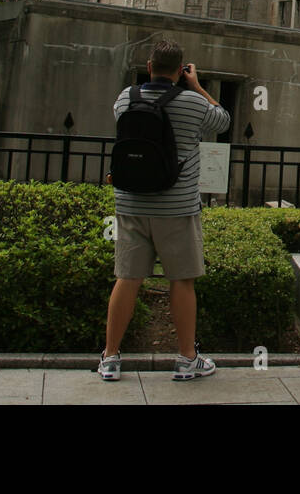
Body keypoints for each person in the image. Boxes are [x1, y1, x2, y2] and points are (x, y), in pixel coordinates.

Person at [99, 40, 229, 382]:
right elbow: (223, 121)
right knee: (182, 280)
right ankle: (187, 359)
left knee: (127, 278)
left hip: (130, 202)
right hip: (177, 207)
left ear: (149, 64)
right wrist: (198, 86)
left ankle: (110, 357)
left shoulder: (126, 98)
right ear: (180, 69)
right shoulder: (191, 102)